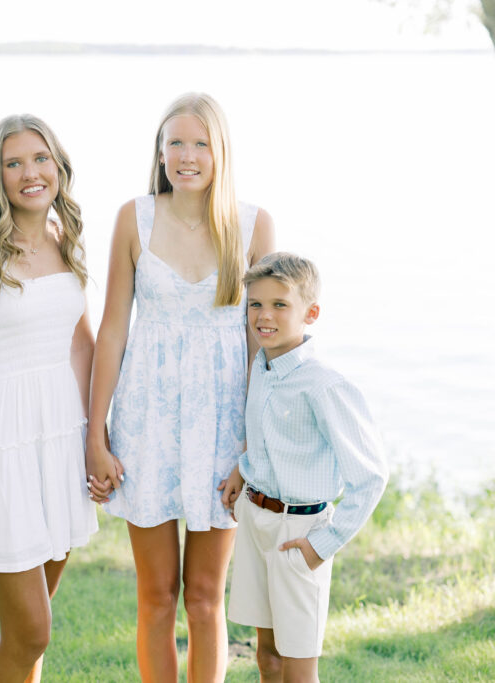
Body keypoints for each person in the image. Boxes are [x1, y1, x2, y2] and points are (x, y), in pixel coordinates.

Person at [86, 92, 276, 682]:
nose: (187, 156)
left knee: (203, 599)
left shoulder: (253, 225)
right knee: (157, 597)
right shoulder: (133, 217)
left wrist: (254, 448)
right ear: (160, 151)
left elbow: (263, 345)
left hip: (223, 427)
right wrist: (98, 434)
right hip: (145, 423)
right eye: (175, 143)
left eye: (200, 143)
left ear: (220, 152)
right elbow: (113, 328)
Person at [0, 114, 98, 683]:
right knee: (30, 631)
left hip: (60, 438)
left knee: (33, 634)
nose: (30, 173)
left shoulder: (64, 238)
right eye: (14, 163)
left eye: (40, 158)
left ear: (58, 166)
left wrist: (95, 441)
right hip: (1, 443)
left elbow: (82, 346)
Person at [220, 252, 388, 683]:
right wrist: (243, 469)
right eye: (255, 304)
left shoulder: (323, 384)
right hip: (257, 522)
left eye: (280, 305)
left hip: (299, 535)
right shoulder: (262, 365)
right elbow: (266, 438)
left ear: (310, 313)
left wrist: (322, 544)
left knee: (297, 669)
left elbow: (370, 478)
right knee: (267, 656)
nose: (264, 316)